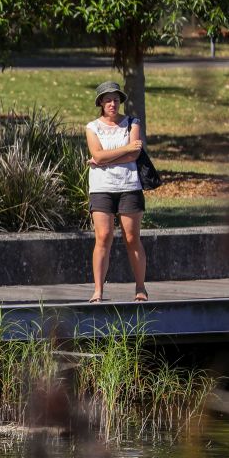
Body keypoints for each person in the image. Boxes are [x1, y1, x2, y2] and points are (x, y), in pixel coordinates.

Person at [85, 81, 148, 303]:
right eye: (108, 99)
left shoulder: (132, 123)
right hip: (102, 188)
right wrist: (124, 149)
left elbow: (134, 155)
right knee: (103, 237)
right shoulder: (92, 127)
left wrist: (104, 158)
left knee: (132, 238)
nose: (112, 103)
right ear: (100, 103)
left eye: (116, 99)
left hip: (129, 186)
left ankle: (140, 287)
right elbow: (97, 153)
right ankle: (98, 290)